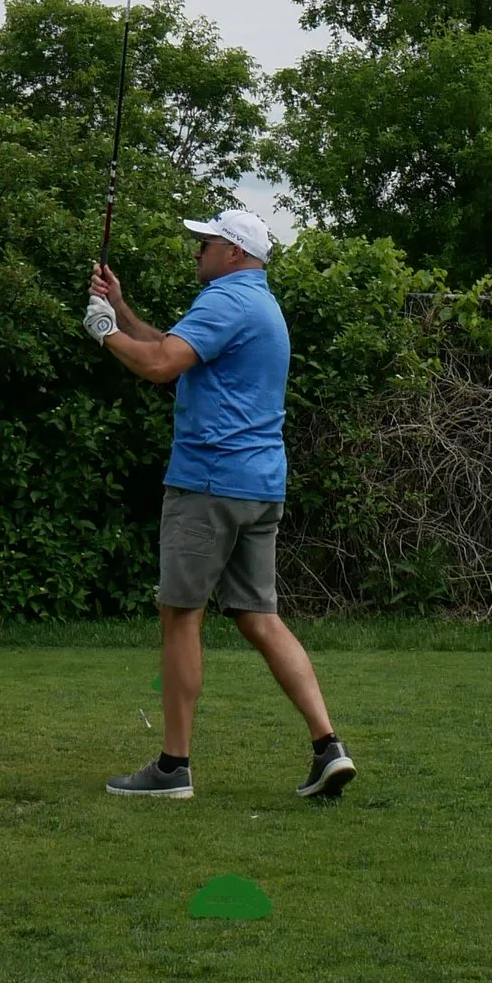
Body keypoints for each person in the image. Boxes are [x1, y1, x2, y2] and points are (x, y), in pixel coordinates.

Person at [85, 206, 355, 804]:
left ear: (234, 253)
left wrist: (103, 332)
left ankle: (173, 766)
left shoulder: (226, 300)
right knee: (259, 618)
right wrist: (122, 309)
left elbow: (157, 366)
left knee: (181, 615)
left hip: (208, 484)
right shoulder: (256, 303)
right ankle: (328, 746)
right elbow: (174, 348)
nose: (198, 250)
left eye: (206, 242)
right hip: (259, 487)